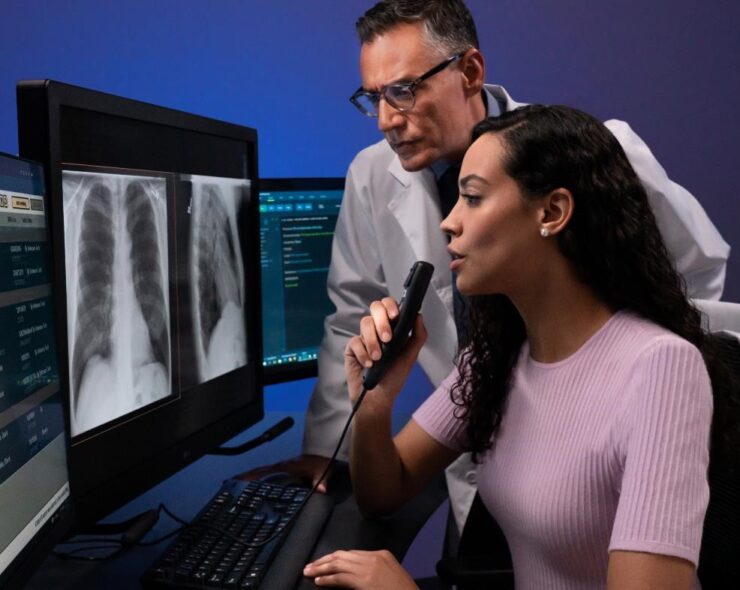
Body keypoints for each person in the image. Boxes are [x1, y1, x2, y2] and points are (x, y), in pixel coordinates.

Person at [245, 0, 729, 536]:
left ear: (470, 72)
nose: (386, 120)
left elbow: (691, 271)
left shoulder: (586, 150)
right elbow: (349, 322)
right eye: (373, 98)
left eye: (403, 91)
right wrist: (331, 448)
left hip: (606, 444)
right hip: (475, 441)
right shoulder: (374, 178)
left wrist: (606, 386)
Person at [303, 104, 718, 589]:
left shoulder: (661, 368)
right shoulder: (496, 356)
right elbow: (384, 492)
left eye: (472, 198)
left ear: (552, 212)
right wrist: (373, 406)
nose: (448, 223)